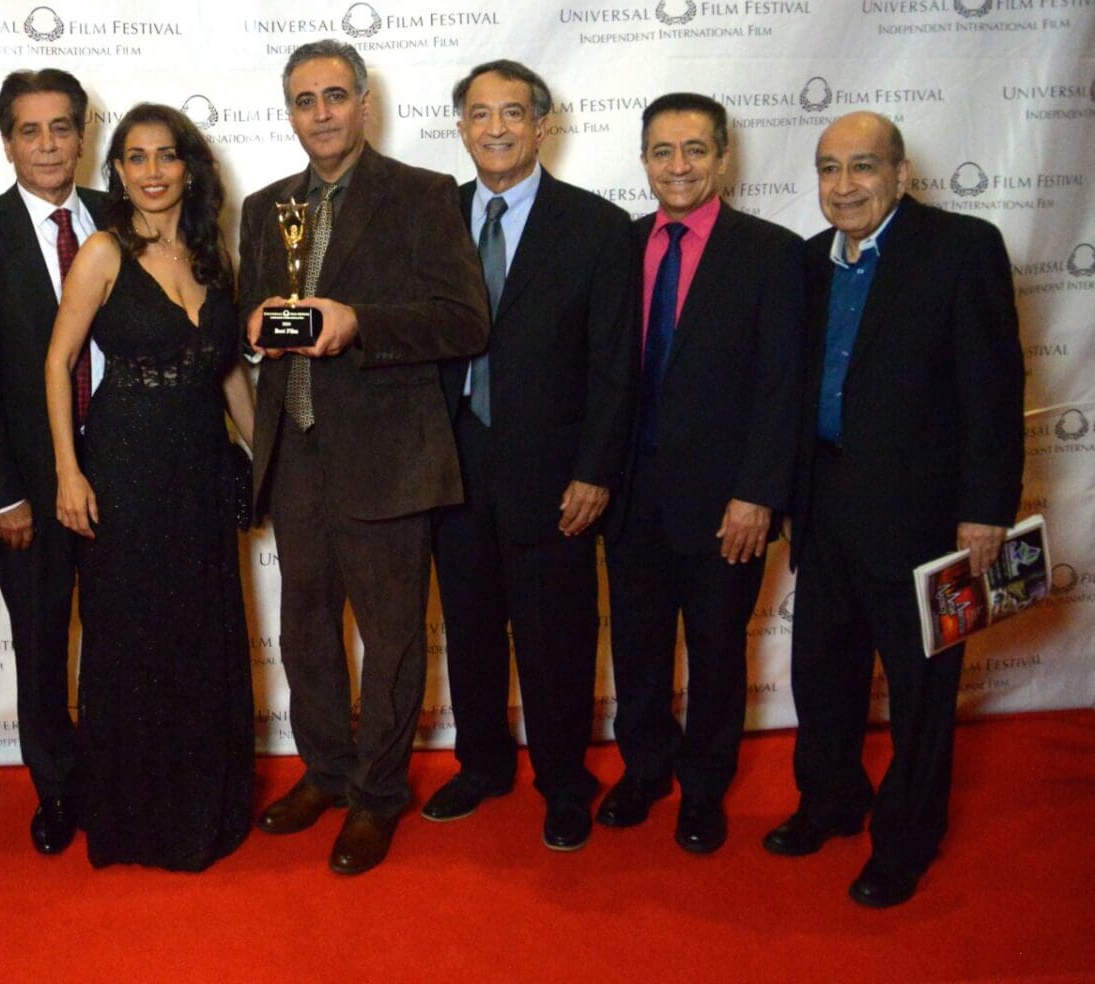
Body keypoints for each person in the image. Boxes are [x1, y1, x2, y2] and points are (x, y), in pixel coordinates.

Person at [240, 40, 489, 875]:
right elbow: (256, 315)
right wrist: (258, 329)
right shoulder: (267, 206)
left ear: (363, 104)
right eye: (304, 99)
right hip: (295, 454)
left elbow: (463, 321)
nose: (321, 112)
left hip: (389, 458)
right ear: (289, 112)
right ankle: (325, 774)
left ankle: (378, 795)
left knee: (387, 639)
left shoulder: (420, 196)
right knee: (304, 630)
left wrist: (360, 323)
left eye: (335, 95)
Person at [767, 112, 1023, 907]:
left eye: (861, 167)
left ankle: (906, 839)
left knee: (919, 692)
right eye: (827, 169)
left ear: (901, 173)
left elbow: (993, 390)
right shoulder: (809, 261)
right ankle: (832, 800)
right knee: (822, 672)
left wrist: (984, 512)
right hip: (826, 504)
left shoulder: (961, 248)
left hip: (923, 519)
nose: (842, 185)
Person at [424, 59, 636, 852]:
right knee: (469, 629)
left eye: (512, 113)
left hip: (555, 477)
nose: (495, 129)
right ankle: (480, 766)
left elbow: (616, 366)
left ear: (540, 124)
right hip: (452, 465)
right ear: (461, 127)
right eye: (479, 114)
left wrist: (596, 470)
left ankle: (563, 781)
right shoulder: (433, 217)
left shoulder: (595, 227)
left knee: (557, 637)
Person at [44, 103, 257, 871]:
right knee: (132, 637)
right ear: (118, 172)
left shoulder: (211, 253)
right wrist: (68, 471)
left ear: (187, 166)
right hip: (124, 467)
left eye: (165, 156)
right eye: (134, 158)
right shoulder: (102, 251)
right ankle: (137, 819)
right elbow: (57, 361)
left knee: (200, 636)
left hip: (200, 470)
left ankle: (207, 807)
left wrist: (265, 455)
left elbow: (225, 369)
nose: (152, 172)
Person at [598, 94, 803, 853]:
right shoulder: (617, 246)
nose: (676, 166)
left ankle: (704, 788)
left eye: (692, 150)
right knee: (638, 646)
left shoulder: (770, 252)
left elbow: (783, 385)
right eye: (661, 151)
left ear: (722, 159)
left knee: (716, 649)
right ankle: (644, 770)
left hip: (726, 502)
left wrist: (757, 493)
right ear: (643, 159)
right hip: (628, 495)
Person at [0, 69, 110, 854]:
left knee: (121, 638)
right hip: (30, 490)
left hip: (124, 475)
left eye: (62, 128)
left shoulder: (123, 217)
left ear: (84, 134)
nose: (48, 145)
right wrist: (0, 495)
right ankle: (57, 789)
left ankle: (121, 776)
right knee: (42, 645)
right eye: (30, 131)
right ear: (7, 141)